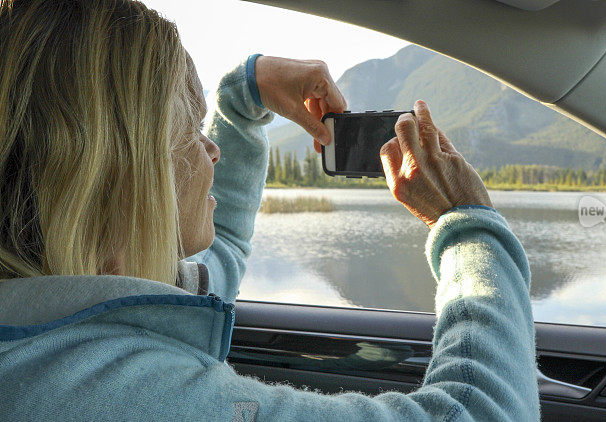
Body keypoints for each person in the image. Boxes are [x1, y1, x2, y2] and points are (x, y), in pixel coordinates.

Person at [0, 0, 540, 420]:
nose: (208, 149)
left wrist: (241, 99)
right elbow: (482, 412)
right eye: (186, 128)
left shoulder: (42, 323)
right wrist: (467, 223)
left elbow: (222, 248)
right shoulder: (122, 397)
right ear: (115, 170)